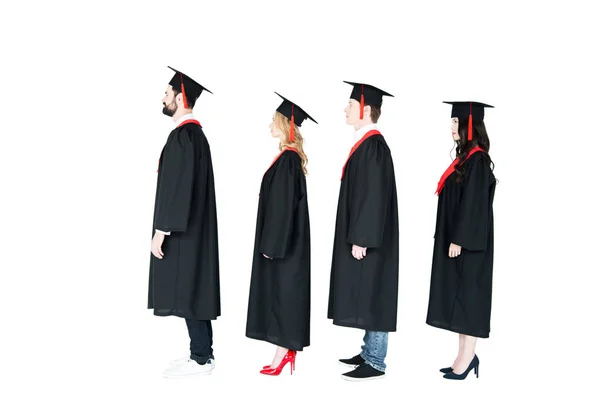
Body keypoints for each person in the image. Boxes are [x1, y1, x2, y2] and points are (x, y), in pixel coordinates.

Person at [148, 66, 221, 378]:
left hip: (183, 230)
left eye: (167, 94)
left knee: (190, 290)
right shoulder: (195, 136)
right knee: (195, 290)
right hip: (194, 228)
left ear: (180, 97)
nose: (163, 98)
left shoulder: (183, 137)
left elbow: (176, 189)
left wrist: (161, 231)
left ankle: (201, 359)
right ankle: (201, 353)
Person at [327, 81, 399, 381]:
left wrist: (362, 237)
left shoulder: (374, 147)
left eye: (351, 104)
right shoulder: (366, 145)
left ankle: (376, 360)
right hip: (367, 235)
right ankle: (368, 349)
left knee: (376, 293)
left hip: (371, 238)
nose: (345, 108)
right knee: (369, 291)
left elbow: (374, 196)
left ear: (366, 109)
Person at [245, 92, 316, 376]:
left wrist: (272, 245)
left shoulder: (288, 160)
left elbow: (283, 207)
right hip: (287, 242)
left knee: (285, 294)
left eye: (273, 121)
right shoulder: (288, 158)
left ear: (286, 124)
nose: (269, 126)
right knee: (283, 294)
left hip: (284, 244)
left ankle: (285, 351)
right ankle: (283, 352)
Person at [426, 101, 497, 380]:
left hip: (470, 246)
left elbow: (473, 205)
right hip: (461, 244)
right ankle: (462, 355)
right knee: (459, 298)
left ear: (470, 125)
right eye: (453, 122)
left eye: (457, 122)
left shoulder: (477, 161)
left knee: (468, 299)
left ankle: (468, 358)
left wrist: (459, 239)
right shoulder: (465, 159)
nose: (452, 127)